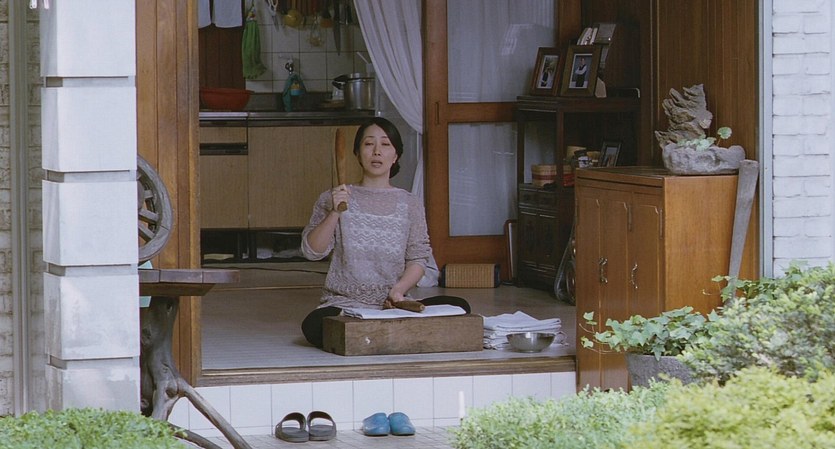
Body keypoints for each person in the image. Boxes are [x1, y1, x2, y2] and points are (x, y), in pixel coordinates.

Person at [300, 117, 471, 348]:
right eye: (369, 144)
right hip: (345, 306)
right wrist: (335, 212)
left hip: (393, 305)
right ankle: (389, 333)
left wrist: (399, 291)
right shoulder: (334, 197)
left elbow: (418, 259)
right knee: (314, 325)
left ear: (395, 156)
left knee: (459, 307)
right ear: (357, 153)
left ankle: (372, 335)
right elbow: (312, 252)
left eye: (385, 144)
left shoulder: (410, 203)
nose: (377, 151)